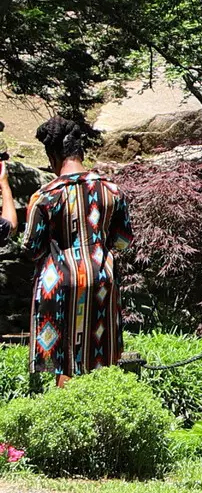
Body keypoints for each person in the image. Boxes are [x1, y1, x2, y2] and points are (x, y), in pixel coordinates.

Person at [22, 115, 133, 382]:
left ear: (52, 155)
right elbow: (124, 240)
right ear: (81, 151)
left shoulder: (46, 196)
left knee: (64, 360)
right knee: (101, 356)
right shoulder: (111, 190)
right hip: (102, 280)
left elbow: (32, 248)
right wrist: (98, 251)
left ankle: (69, 415)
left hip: (59, 283)